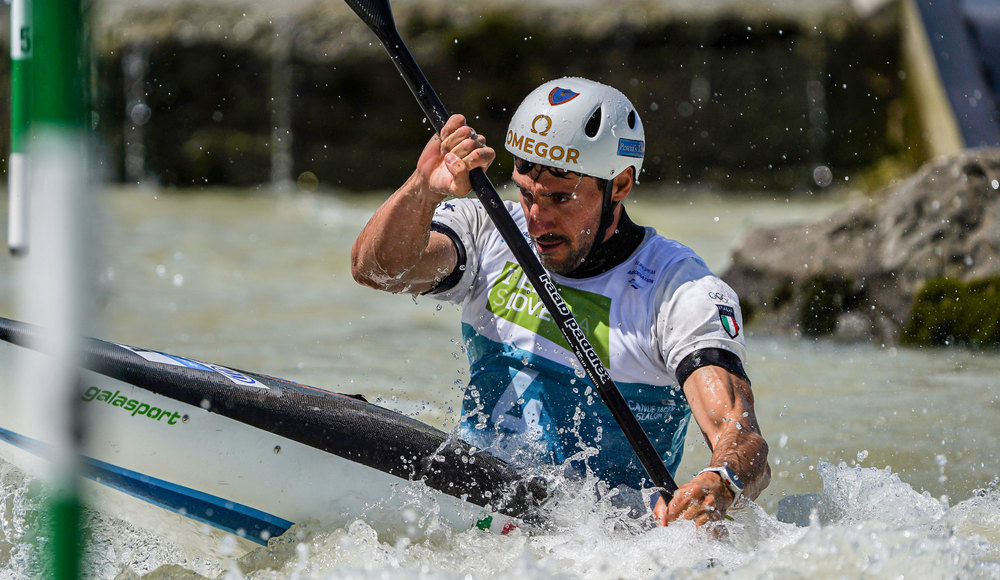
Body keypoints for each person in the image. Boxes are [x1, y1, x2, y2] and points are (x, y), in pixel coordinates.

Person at [351, 77, 769, 526]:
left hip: (599, 540)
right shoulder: (490, 231)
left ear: (621, 184)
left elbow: (740, 435)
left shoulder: (679, 290)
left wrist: (718, 482)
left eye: (559, 198)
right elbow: (376, 270)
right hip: (472, 509)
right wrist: (422, 189)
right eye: (526, 193)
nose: (536, 219)